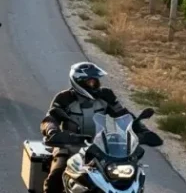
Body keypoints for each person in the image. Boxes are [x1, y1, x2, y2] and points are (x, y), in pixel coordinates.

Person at [40, 62, 163, 193]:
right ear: (78, 82)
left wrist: (142, 130)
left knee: (130, 174)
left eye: (95, 81)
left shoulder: (105, 96)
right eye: (90, 81)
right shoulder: (64, 98)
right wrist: (52, 131)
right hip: (70, 144)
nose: (94, 84)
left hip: (100, 147)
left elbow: (124, 115)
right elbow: (50, 119)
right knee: (56, 176)